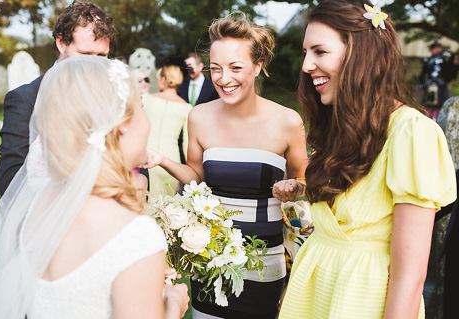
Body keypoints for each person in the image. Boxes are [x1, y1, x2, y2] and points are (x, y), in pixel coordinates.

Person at [279, 1, 456, 318]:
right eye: (306, 53)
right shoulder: (340, 129)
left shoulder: (412, 133)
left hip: (361, 299)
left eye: (319, 51)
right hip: (313, 295)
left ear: (360, 54)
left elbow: (410, 277)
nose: (306, 65)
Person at [0, 56, 189, 318]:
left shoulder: (42, 204)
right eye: (141, 107)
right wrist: (173, 306)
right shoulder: (135, 236)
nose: (146, 120)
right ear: (122, 125)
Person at [145, 14, 307, 318]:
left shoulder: (287, 121)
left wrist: (294, 186)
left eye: (235, 67)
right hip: (209, 262)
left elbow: (305, 182)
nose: (223, 78)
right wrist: (163, 160)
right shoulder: (199, 116)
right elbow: (196, 177)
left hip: (264, 265)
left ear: (258, 66)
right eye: (215, 68)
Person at [0, 1, 116, 195]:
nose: (93, 64)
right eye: (85, 53)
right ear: (61, 43)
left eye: (101, 55)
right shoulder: (25, 99)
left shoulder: (114, 93)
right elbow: (11, 180)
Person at [143, 61, 192, 197]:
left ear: (163, 79)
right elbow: (187, 144)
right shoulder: (187, 108)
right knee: (165, 207)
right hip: (170, 162)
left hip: (145, 155)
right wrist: (189, 172)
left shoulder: (146, 100)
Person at [420, 42, 458, 119]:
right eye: (435, 48)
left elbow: (450, 72)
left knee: (439, 104)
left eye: (438, 47)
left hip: (441, 85)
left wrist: (454, 64)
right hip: (430, 85)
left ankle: (436, 119)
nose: (437, 50)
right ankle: (426, 119)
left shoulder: (445, 59)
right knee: (428, 104)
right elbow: (423, 74)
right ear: (432, 50)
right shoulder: (428, 60)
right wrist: (422, 86)